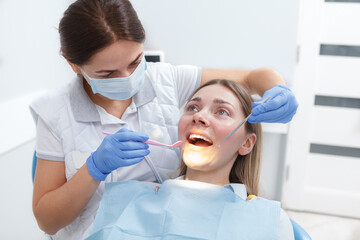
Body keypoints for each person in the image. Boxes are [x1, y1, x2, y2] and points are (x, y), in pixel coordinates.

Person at [30, 0, 298, 239]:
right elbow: (48, 220)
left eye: (135, 62)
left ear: (248, 142)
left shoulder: (165, 80)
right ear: (74, 66)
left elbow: (253, 77)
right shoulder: (57, 114)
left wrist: (278, 88)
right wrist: (93, 169)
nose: (127, 78)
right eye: (108, 73)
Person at [85, 79, 294, 240]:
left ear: (246, 144)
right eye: (192, 107)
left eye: (222, 111)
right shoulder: (128, 201)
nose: (198, 116)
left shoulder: (270, 222)